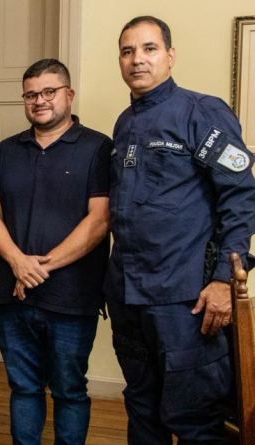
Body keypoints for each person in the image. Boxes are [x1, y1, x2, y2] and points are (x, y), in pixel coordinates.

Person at [107, 16, 255, 443]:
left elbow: (240, 195)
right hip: (128, 297)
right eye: (128, 51)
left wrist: (224, 280)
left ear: (170, 56)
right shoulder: (124, 122)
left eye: (149, 48)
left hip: (184, 299)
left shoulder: (200, 112)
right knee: (142, 409)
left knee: (194, 418)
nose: (137, 59)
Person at [0, 58, 112, 444]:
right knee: (23, 389)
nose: (39, 100)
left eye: (49, 92)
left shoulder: (98, 147)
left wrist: (39, 267)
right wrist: (17, 262)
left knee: (69, 391)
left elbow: (100, 220)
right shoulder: (6, 150)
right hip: (14, 299)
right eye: (30, 95)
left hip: (72, 299)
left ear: (68, 95)